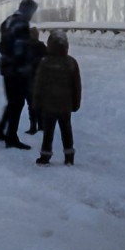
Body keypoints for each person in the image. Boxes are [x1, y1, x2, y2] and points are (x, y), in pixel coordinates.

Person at [0, 0, 37, 149]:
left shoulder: (8, 21)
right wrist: (25, 67)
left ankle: (0, 131)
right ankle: (11, 137)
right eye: (32, 12)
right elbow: (21, 48)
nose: (32, 15)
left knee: (12, 102)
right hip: (16, 69)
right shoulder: (21, 23)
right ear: (28, 10)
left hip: (6, 67)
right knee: (17, 103)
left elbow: (2, 45)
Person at [33, 30, 82, 166]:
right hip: (65, 105)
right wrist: (76, 104)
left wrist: (36, 102)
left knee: (48, 132)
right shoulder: (71, 62)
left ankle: (45, 156)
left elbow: (39, 84)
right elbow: (76, 86)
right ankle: (69, 156)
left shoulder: (45, 62)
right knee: (66, 130)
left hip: (48, 105)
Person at [24, 27, 47, 134]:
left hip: (29, 80)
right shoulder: (42, 46)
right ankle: (41, 125)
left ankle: (33, 126)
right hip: (40, 79)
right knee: (40, 103)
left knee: (31, 104)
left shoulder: (25, 47)